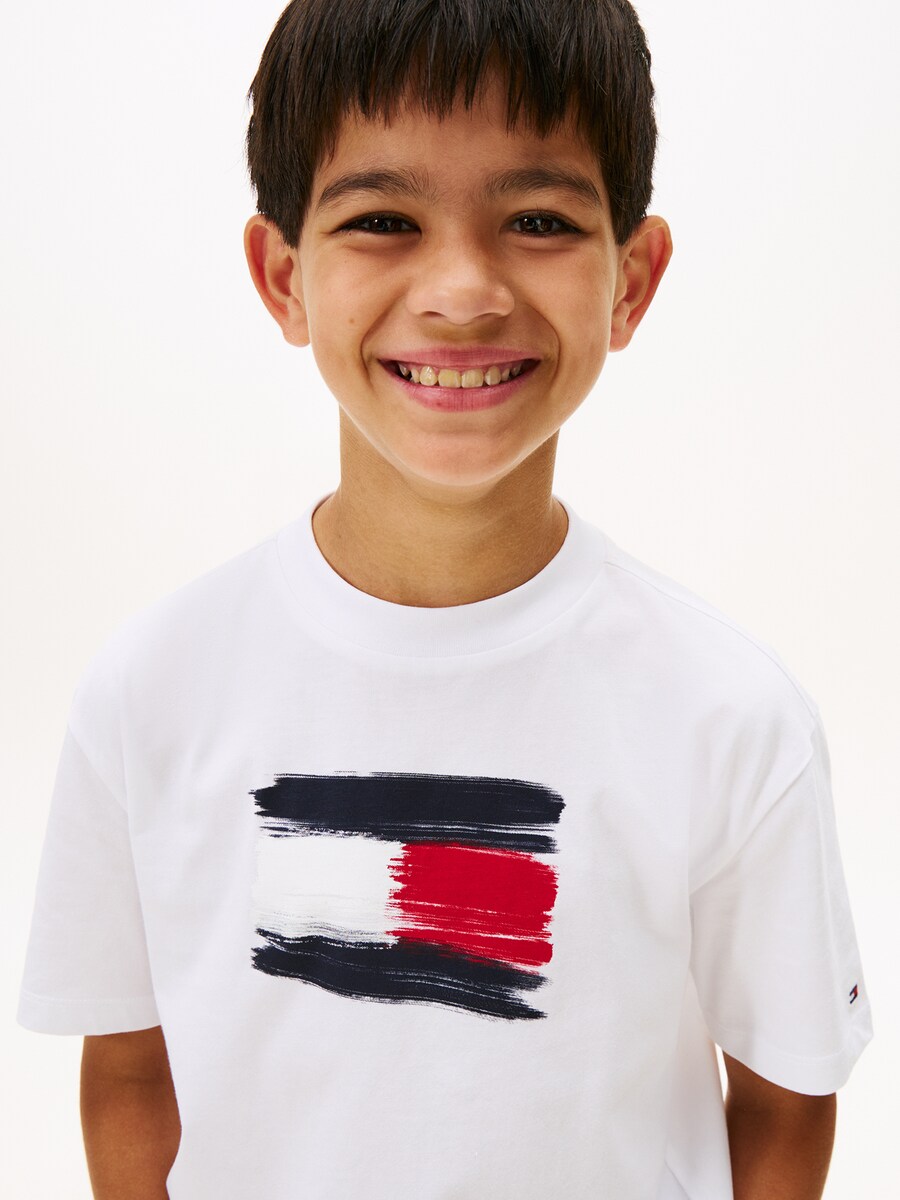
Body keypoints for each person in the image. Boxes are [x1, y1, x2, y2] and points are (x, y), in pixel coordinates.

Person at [17, 1, 873, 1197]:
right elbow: (129, 1071)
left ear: (631, 282)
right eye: (383, 220)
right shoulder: (148, 692)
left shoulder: (732, 717)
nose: (463, 291)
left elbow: (785, 1102)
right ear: (283, 278)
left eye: (538, 220)